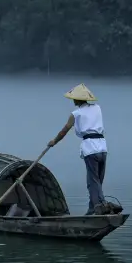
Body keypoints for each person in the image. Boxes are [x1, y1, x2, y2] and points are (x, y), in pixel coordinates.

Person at [47, 83, 108, 215]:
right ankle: (93, 207)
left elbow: (64, 131)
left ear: (77, 99)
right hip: (102, 147)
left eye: (74, 98)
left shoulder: (76, 114)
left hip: (91, 148)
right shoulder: (97, 108)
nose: (73, 100)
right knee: (98, 180)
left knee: (93, 180)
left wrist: (54, 141)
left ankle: (98, 206)